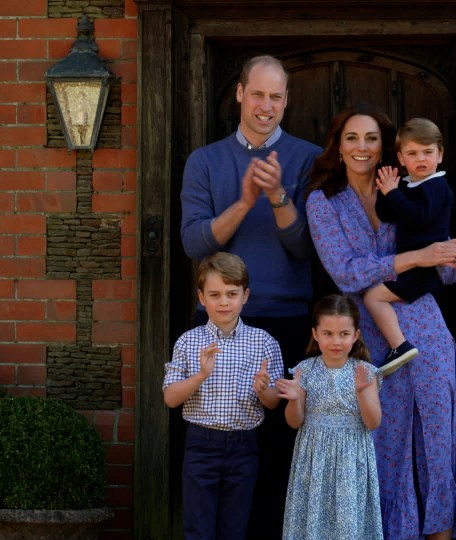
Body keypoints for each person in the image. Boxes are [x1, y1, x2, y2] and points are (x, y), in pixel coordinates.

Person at [305, 103, 456, 539]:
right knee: (384, 443)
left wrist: (451, 256)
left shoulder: (410, 186)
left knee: (439, 439)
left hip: (425, 322)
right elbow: (345, 272)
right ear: (338, 147)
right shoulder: (323, 201)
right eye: (352, 138)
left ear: (387, 149)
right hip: (368, 335)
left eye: (371, 138)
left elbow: (448, 266)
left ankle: (440, 533)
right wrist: (419, 256)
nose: (362, 147)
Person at [179, 54, 322, 537]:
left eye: (276, 96)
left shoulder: (309, 159)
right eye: (257, 94)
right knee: (215, 450)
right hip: (219, 323)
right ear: (239, 93)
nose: (266, 106)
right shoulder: (205, 161)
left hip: (285, 320)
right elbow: (195, 244)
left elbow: (306, 248)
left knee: (279, 450)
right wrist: (244, 202)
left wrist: (279, 196)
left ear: (287, 101)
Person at [163, 252, 284, 540]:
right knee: (198, 526)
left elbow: (273, 402)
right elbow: (170, 398)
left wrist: (263, 390)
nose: (224, 302)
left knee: (235, 526)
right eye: (215, 294)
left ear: (246, 295)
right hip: (201, 444)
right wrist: (201, 375)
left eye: (232, 293)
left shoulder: (263, 342)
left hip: (244, 445)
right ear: (202, 298)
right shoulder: (189, 341)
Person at [276, 294, 384, 540]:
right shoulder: (305, 370)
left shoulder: (365, 372)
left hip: (350, 458)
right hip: (313, 458)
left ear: (355, 335)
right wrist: (294, 399)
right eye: (328, 333)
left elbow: (373, 422)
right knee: (313, 519)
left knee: (348, 523)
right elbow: (294, 422)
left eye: (344, 334)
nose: (336, 341)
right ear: (315, 334)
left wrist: (362, 393)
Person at [366, 118, 454, 376]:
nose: (421, 159)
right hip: (411, 265)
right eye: (413, 153)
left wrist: (394, 194)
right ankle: (441, 362)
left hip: (423, 268)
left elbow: (418, 217)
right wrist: (386, 191)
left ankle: (399, 346)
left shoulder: (437, 186)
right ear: (402, 159)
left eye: (428, 152)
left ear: (440, 155)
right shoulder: (408, 184)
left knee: (373, 297)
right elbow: (387, 214)